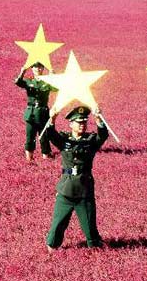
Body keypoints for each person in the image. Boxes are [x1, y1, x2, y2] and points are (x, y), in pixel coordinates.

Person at [44, 105, 109, 251]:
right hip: (66, 189)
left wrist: (98, 118)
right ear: (71, 124)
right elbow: (50, 134)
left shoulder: (90, 140)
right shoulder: (64, 139)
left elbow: (103, 136)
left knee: (90, 227)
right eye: (79, 122)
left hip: (84, 190)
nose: (82, 125)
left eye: (84, 122)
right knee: (57, 225)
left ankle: (95, 247)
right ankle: (52, 250)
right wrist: (52, 117)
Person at [14, 62, 58, 162]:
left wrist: (54, 77)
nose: (38, 69)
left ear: (43, 68)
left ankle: (46, 157)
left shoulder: (47, 82)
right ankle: (29, 158)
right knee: (30, 136)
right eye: (35, 67)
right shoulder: (29, 81)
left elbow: (56, 88)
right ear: (32, 69)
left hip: (43, 113)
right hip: (31, 113)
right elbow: (18, 82)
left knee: (44, 136)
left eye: (40, 67)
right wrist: (22, 72)